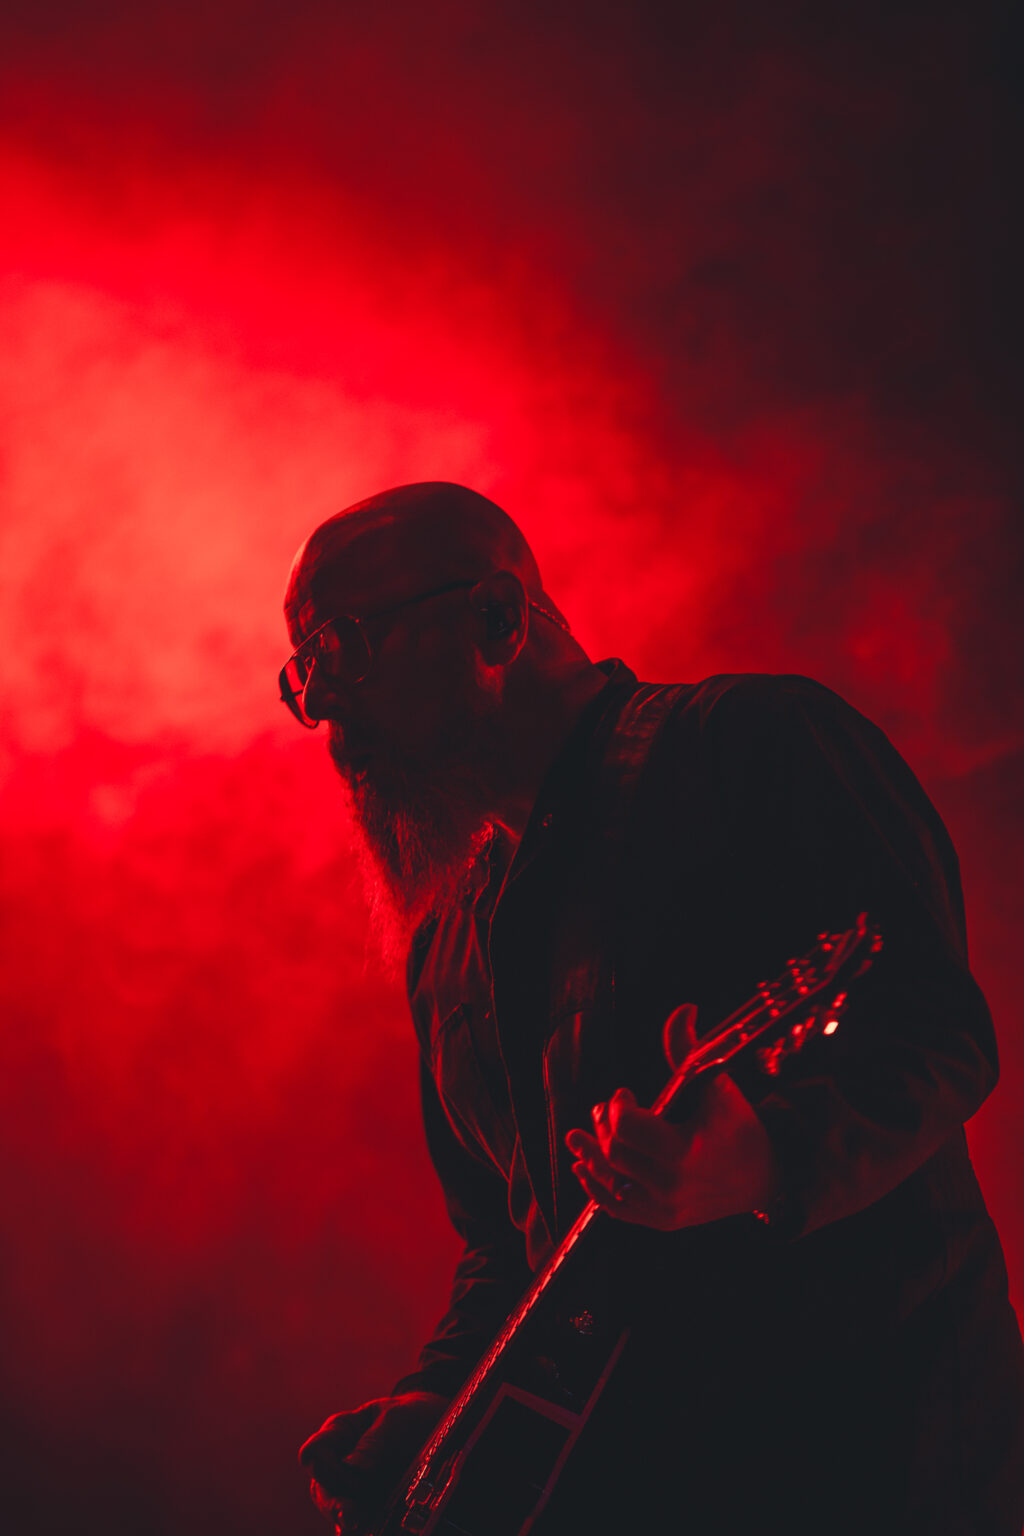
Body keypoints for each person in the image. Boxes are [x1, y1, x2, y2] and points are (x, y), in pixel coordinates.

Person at [284, 482, 1024, 1535]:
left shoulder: (754, 745)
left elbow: (937, 1032)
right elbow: (512, 1245)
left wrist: (765, 1158)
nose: (318, 704)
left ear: (497, 619)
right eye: (301, 672)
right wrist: (433, 1404)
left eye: (342, 646)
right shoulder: (447, 938)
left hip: (874, 1463)